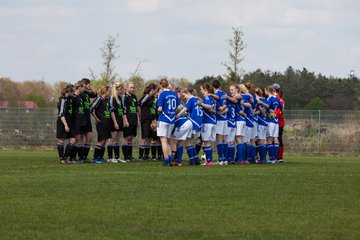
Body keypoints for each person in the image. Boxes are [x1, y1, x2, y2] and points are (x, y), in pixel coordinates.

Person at [157, 79, 181, 166]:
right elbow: (178, 107)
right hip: (172, 120)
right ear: (167, 85)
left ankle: (166, 160)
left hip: (164, 119)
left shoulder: (161, 94)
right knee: (168, 139)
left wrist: (159, 110)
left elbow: (160, 108)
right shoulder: (174, 94)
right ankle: (170, 159)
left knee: (163, 141)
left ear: (161, 86)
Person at [176, 88, 202, 165]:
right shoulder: (197, 98)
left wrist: (178, 115)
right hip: (199, 123)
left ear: (188, 93)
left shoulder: (190, 99)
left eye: (184, 96)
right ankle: (196, 159)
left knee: (187, 142)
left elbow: (185, 109)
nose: (184, 98)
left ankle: (192, 160)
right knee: (189, 141)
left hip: (193, 122)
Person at [90, 86, 112, 163]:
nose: (110, 92)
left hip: (107, 122)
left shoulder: (107, 100)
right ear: (105, 91)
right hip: (101, 122)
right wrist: (96, 118)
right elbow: (91, 108)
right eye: (109, 91)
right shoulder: (99, 99)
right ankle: (95, 158)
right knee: (101, 140)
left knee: (105, 140)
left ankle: (100, 157)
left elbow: (109, 110)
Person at [56, 85, 75, 164]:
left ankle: (65, 157)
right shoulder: (63, 100)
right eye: (73, 91)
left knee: (72, 140)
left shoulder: (70, 99)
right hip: (63, 122)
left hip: (70, 122)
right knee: (62, 140)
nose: (74, 93)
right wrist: (65, 125)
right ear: (69, 92)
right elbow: (61, 114)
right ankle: (61, 159)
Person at [138, 83, 158, 161]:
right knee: (144, 137)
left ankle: (146, 155)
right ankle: (140, 156)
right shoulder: (146, 96)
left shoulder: (154, 98)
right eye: (156, 90)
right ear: (152, 90)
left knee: (150, 138)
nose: (156, 92)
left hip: (152, 121)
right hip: (145, 120)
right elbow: (139, 105)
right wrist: (140, 116)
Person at [108, 82, 126, 163]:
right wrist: (115, 122)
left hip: (119, 120)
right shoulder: (112, 98)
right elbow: (111, 111)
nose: (122, 91)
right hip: (114, 121)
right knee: (112, 139)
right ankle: (110, 157)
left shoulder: (120, 98)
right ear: (117, 89)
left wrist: (123, 121)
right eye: (121, 89)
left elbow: (121, 111)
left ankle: (117, 157)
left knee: (117, 140)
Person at [199, 84, 217, 166]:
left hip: (207, 122)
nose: (201, 91)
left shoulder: (206, 98)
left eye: (201, 89)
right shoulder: (213, 98)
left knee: (206, 142)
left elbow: (209, 107)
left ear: (205, 90)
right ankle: (209, 161)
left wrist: (201, 104)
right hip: (213, 122)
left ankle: (209, 161)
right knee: (208, 142)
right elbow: (214, 110)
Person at [80, 78, 97, 162]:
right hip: (81, 119)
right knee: (81, 138)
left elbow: (95, 95)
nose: (89, 86)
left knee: (89, 138)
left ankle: (84, 157)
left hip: (87, 119)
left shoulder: (86, 93)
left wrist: (90, 89)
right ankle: (79, 157)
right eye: (88, 84)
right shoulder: (80, 94)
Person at [264, 85, 283, 163]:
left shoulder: (270, 98)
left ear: (268, 91)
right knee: (275, 138)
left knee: (269, 138)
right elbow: (281, 108)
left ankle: (271, 158)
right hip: (276, 121)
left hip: (270, 121)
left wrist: (270, 111)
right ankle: (274, 158)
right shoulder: (277, 99)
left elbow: (267, 107)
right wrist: (275, 113)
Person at [122, 82, 140, 162]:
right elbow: (123, 110)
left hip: (134, 120)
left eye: (133, 87)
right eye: (131, 87)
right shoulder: (124, 97)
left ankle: (130, 156)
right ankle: (125, 157)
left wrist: (138, 120)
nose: (132, 89)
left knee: (131, 138)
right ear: (126, 88)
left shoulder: (134, 96)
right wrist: (125, 120)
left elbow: (136, 109)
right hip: (128, 119)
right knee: (127, 138)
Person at [212, 80, 228, 165]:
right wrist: (224, 110)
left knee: (219, 139)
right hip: (225, 119)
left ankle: (220, 159)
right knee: (225, 139)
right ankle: (225, 159)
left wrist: (220, 111)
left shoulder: (216, 95)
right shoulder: (224, 93)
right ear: (220, 86)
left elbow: (220, 108)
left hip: (219, 119)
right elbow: (228, 105)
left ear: (213, 87)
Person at [71, 81, 86, 163]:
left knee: (78, 139)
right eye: (82, 87)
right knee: (75, 139)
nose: (84, 88)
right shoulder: (73, 97)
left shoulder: (80, 97)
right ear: (79, 87)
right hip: (75, 121)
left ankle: (76, 158)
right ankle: (72, 157)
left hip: (81, 120)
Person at [255, 88, 269, 164]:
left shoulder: (258, 101)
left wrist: (253, 113)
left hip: (260, 123)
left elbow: (260, 112)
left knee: (261, 141)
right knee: (263, 140)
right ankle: (263, 158)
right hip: (265, 122)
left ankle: (262, 159)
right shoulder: (265, 100)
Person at [272, 83, 285, 163]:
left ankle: (278, 157)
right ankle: (277, 157)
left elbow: (280, 110)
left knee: (277, 138)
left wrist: (274, 114)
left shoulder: (278, 99)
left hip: (278, 121)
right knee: (277, 139)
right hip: (278, 121)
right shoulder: (279, 99)